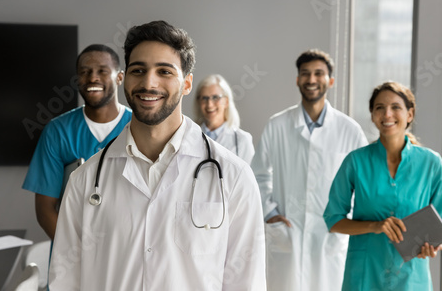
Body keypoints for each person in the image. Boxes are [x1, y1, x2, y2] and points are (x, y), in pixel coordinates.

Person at [49, 20, 266, 290]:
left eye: (164, 71)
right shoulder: (85, 181)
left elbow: (246, 282)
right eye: (138, 70)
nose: (148, 83)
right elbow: (64, 281)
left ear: (186, 84)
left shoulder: (234, 178)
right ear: (125, 79)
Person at [251, 49, 368, 290]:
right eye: (305, 74)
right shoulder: (278, 125)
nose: (311, 79)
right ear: (297, 80)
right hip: (288, 235)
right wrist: (270, 214)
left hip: (331, 237)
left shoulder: (350, 130)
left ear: (331, 81)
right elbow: (258, 174)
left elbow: (364, 184)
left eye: (319, 73)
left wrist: (347, 219)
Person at [323, 81, 442, 290]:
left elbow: (441, 220)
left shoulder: (431, 163)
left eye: (396, 107)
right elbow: (333, 219)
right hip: (364, 276)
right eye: (379, 108)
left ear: (410, 115)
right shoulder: (355, 162)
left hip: (411, 279)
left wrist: (432, 246)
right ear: (373, 116)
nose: (387, 114)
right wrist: (375, 226)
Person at [22, 44, 132, 240]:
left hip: (127, 252)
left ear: (120, 77)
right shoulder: (58, 131)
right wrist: (76, 254)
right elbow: (45, 210)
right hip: (72, 257)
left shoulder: (138, 128)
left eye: (102, 71)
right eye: (85, 72)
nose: (92, 78)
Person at [194, 74, 255, 164]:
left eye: (215, 97)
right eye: (204, 98)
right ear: (198, 102)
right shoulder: (190, 135)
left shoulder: (242, 140)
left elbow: (250, 177)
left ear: (226, 101)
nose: (209, 104)